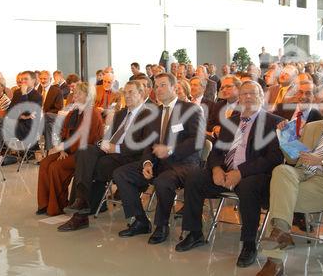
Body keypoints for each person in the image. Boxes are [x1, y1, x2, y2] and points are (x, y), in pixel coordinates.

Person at [175, 81, 284, 269]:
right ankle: (194, 233)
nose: (248, 97)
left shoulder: (273, 122)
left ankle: (249, 244)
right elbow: (217, 152)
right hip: (225, 172)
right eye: (244, 94)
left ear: (261, 97)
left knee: (249, 187)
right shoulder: (231, 122)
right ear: (239, 98)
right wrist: (216, 169)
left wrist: (240, 172)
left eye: (252, 93)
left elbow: (273, 158)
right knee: (194, 177)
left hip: (253, 175)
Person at [257, 84, 323, 276]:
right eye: (318, 102)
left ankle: (274, 261)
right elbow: (294, 159)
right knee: (281, 171)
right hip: (301, 174)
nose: (321, 107)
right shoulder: (313, 126)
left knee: (279, 197)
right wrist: (286, 138)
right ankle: (281, 234)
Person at [113, 73, 204, 244]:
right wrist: (147, 162)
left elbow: (197, 141)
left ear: (174, 87)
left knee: (163, 181)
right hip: (158, 163)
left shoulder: (190, 109)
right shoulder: (155, 113)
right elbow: (149, 143)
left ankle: (161, 226)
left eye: (162, 85)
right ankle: (140, 220)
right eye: (156, 86)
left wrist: (170, 150)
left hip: (183, 164)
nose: (158, 89)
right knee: (121, 173)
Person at [57, 80, 157, 231]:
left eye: (131, 92)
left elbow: (145, 144)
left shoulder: (149, 113)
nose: (127, 96)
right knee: (84, 151)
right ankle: (81, 203)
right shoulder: (121, 113)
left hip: (130, 157)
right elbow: (108, 137)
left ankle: (80, 213)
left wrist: (115, 148)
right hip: (109, 152)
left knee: (86, 167)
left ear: (142, 94)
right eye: (125, 92)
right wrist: (101, 145)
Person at [37, 82, 103, 216]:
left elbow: (85, 139)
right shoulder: (73, 113)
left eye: (79, 93)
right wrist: (61, 149)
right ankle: (45, 204)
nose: (75, 96)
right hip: (68, 150)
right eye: (75, 93)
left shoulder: (92, 114)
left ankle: (57, 206)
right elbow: (63, 132)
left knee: (56, 167)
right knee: (44, 163)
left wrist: (66, 150)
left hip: (83, 154)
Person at [38, 70, 64, 150]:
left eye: (45, 79)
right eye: (41, 78)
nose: (42, 81)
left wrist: (43, 114)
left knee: (46, 117)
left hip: (52, 118)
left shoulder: (57, 91)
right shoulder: (38, 90)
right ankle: (48, 151)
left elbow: (58, 108)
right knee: (48, 126)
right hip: (44, 122)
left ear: (50, 79)